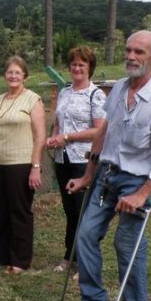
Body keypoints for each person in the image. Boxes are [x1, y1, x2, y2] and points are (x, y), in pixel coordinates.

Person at [64, 30, 151, 301]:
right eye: (128, 50)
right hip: (106, 176)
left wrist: (143, 193)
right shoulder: (119, 88)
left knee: (127, 243)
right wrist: (87, 176)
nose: (131, 57)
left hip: (137, 181)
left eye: (140, 52)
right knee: (85, 235)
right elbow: (103, 134)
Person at [45, 47, 106, 273]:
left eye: (82, 64)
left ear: (90, 67)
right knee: (70, 211)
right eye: (74, 64)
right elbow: (58, 123)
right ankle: (70, 256)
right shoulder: (65, 92)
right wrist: (54, 138)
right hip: (63, 159)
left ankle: (85, 262)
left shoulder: (96, 95)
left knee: (84, 211)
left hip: (84, 160)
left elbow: (99, 131)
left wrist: (68, 137)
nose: (77, 68)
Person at [0, 56, 46, 275]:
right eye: (10, 72)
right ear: (5, 75)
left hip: (21, 163)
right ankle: (0, 256)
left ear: (25, 76)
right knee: (0, 211)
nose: (13, 76)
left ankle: (20, 260)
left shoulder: (33, 100)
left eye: (17, 72)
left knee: (19, 212)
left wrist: (36, 166)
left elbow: (40, 136)